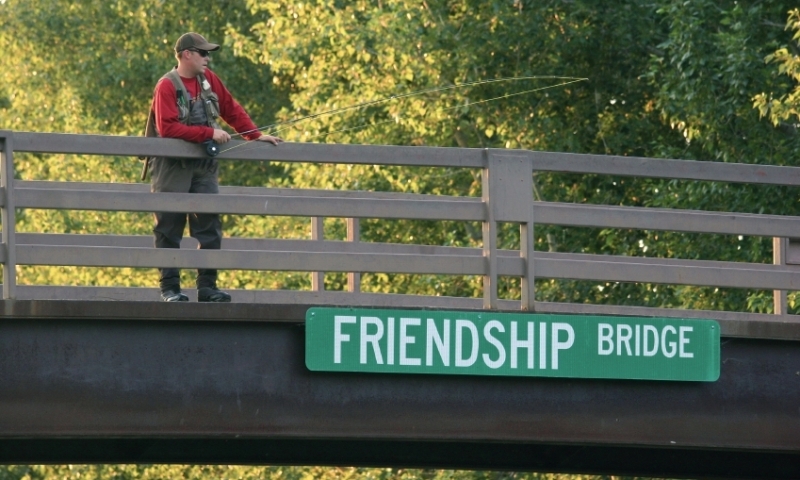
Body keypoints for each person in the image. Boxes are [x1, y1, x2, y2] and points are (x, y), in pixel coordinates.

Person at [148, 32, 282, 302]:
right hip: (172, 166)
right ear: (187, 54)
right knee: (169, 226)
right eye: (204, 53)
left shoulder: (210, 81)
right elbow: (167, 127)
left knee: (209, 224)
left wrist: (255, 135)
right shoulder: (167, 85)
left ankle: (207, 288)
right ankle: (170, 289)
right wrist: (208, 134)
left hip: (204, 165)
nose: (208, 58)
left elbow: (231, 110)